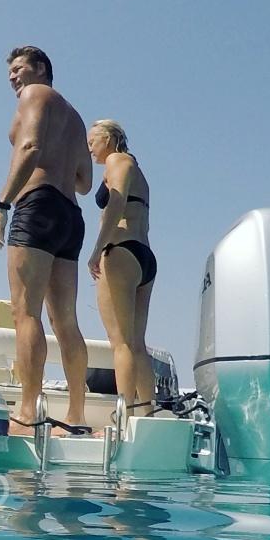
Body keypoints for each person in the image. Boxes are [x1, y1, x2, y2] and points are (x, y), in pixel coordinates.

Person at [0, 45, 93, 435]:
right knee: (65, 319)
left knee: (25, 312)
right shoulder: (76, 117)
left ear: (42, 69)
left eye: (19, 69)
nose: (14, 78)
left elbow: (30, 146)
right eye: (11, 73)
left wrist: (2, 204)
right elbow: (84, 182)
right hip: (69, 213)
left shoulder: (37, 95)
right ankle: (77, 417)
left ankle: (28, 411)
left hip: (38, 206)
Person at [86, 119, 157, 415]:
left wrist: (98, 248)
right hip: (145, 256)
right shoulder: (138, 170)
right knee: (137, 343)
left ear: (109, 138)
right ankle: (148, 412)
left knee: (121, 343)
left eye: (92, 141)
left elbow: (115, 203)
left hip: (121, 252)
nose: (89, 148)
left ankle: (123, 413)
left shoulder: (117, 160)